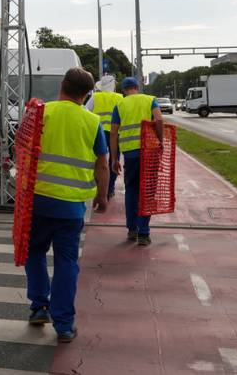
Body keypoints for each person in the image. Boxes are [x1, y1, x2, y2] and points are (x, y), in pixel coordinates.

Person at [26, 67, 109, 343]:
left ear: (62, 85)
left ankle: (39, 307)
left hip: (38, 200)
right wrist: (102, 195)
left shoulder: (40, 112)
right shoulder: (92, 121)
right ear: (87, 95)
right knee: (66, 263)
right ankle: (63, 325)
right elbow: (102, 164)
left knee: (35, 252)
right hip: (72, 206)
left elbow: (22, 150)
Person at [110, 77, 164, 246]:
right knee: (147, 191)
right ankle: (144, 233)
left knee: (131, 190)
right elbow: (159, 120)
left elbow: (113, 133)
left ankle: (132, 230)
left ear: (124, 90)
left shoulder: (120, 105)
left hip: (130, 155)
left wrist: (114, 158)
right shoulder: (150, 100)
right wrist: (160, 140)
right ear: (137, 87)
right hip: (149, 152)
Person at [85, 75, 123, 199]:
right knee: (114, 161)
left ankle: (98, 187)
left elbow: (86, 111)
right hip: (115, 133)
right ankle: (110, 188)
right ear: (113, 85)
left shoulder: (95, 97)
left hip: (98, 132)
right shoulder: (120, 98)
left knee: (98, 162)